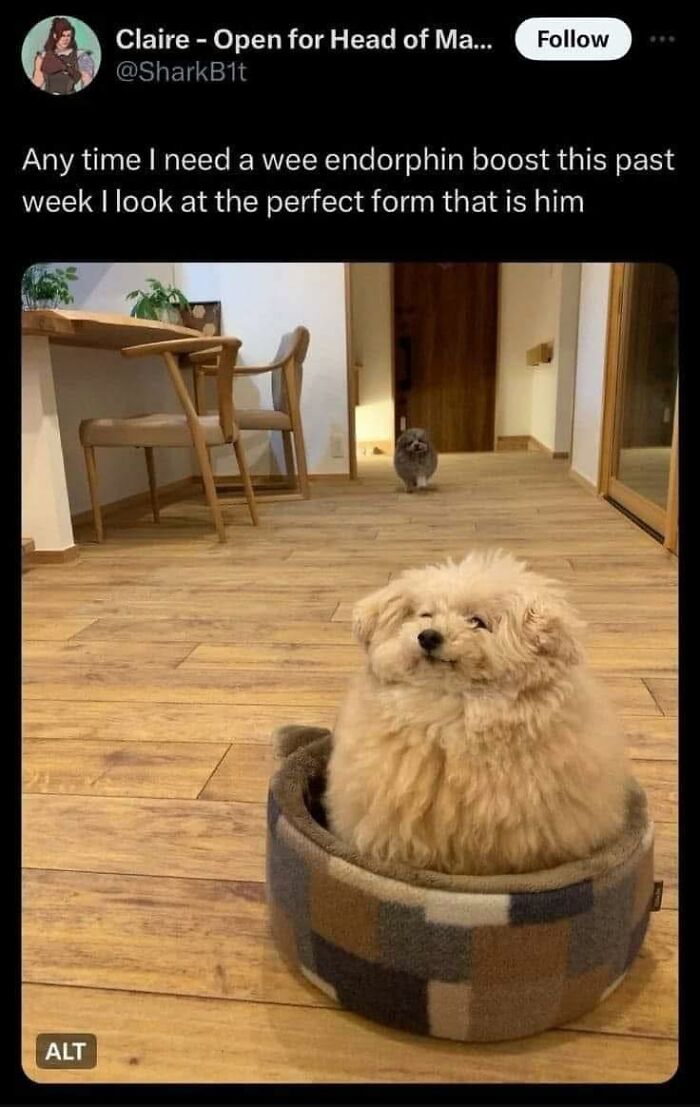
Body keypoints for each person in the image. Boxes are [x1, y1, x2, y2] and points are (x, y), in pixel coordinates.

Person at [32, 17, 94, 94]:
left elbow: (87, 80)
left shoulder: (80, 56)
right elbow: (37, 82)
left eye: (68, 35)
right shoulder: (43, 56)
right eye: (62, 35)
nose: (66, 39)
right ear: (55, 36)